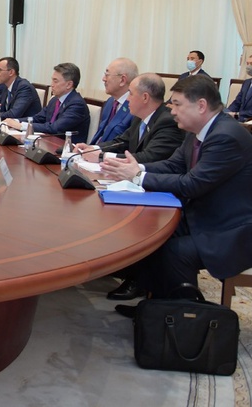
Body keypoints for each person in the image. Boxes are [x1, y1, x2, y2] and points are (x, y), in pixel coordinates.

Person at [102, 75, 252, 311]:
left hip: (245, 228)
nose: (171, 110)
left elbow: (192, 184)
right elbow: (174, 165)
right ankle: (154, 310)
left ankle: (181, 317)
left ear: (201, 105)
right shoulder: (197, 131)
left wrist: (137, 177)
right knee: (152, 230)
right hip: (214, 214)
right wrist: (137, 168)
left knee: (176, 251)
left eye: (177, 104)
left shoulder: (226, 136)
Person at [77, 73, 185, 301]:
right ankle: (118, 264)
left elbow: (151, 156)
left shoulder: (166, 121)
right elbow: (122, 142)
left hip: (157, 188)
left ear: (145, 97)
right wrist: (94, 149)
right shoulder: (139, 117)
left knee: (122, 217)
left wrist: (103, 157)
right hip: (137, 182)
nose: (127, 100)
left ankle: (138, 279)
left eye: (131, 94)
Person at [3, 62, 89, 142]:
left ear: (69, 85)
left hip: (66, 148)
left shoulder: (77, 104)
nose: (52, 84)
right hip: (48, 142)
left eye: (55, 81)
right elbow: (38, 118)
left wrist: (22, 126)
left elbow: (54, 128)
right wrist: (15, 121)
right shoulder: (55, 100)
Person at [90, 58, 138, 144]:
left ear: (122, 80)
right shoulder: (110, 102)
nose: (103, 79)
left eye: (107, 75)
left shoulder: (136, 108)